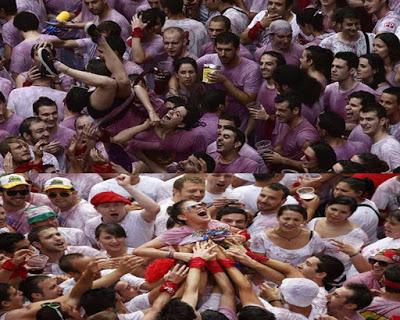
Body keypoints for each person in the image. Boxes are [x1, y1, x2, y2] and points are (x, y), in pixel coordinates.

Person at [197, 32, 262, 131]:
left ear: (237, 49)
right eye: (219, 49)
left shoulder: (251, 68)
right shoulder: (208, 60)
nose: (222, 54)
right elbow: (183, 70)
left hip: (238, 119)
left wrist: (224, 81)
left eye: (228, 50)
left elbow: (249, 101)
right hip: (211, 117)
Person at [134, 199, 230, 261]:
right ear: (182, 217)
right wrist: (176, 255)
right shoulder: (177, 232)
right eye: (193, 207)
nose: (200, 206)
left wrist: (242, 237)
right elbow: (139, 250)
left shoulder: (217, 224)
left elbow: (231, 230)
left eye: (201, 204)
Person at [84, 174, 160, 248]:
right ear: (96, 209)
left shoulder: (139, 217)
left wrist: (127, 186)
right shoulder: (91, 224)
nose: (112, 209)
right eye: (106, 206)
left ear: (124, 205)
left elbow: (154, 209)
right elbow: (95, 246)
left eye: (117, 205)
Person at [307, 196, 368, 273]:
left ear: (350, 214)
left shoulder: (357, 234)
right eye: (333, 209)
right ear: (326, 207)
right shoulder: (314, 222)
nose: (336, 214)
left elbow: (361, 259)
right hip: (308, 269)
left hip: (337, 275)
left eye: (343, 212)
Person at [250, 204, 325, 265]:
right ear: (278, 218)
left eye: (296, 220)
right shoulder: (261, 237)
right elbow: (259, 264)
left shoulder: (313, 236)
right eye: (286, 219)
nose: (290, 223)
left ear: (304, 221)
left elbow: (317, 261)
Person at [265, 92, 320, 171]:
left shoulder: (305, 136)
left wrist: (282, 160)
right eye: (276, 109)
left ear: (295, 110)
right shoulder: (283, 120)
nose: (277, 113)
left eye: (282, 110)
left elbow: (311, 167)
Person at [323, 51, 377, 120]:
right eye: (332, 66)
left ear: (352, 71)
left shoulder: (367, 92)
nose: (333, 70)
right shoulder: (329, 89)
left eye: (339, 67)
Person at [28, 225, 100, 274]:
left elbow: (108, 262)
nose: (58, 238)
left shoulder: (84, 251)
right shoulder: (35, 265)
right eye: (49, 237)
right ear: (37, 244)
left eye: (58, 234)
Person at [333, 177, 379, 244]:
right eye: (336, 189)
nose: (337, 193)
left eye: (344, 191)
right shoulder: (368, 202)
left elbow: (340, 237)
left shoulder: (356, 215)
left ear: (359, 193)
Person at [360, 102, 400, 171]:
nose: (363, 123)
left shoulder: (388, 146)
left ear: (382, 121)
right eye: (361, 119)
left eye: (369, 119)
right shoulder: (380, 143)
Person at [25, 205, 92, 247]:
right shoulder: (25, 241)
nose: (50, 222)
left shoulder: (76, 234)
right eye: (43, 220)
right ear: (32, 225)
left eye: (52, 218)